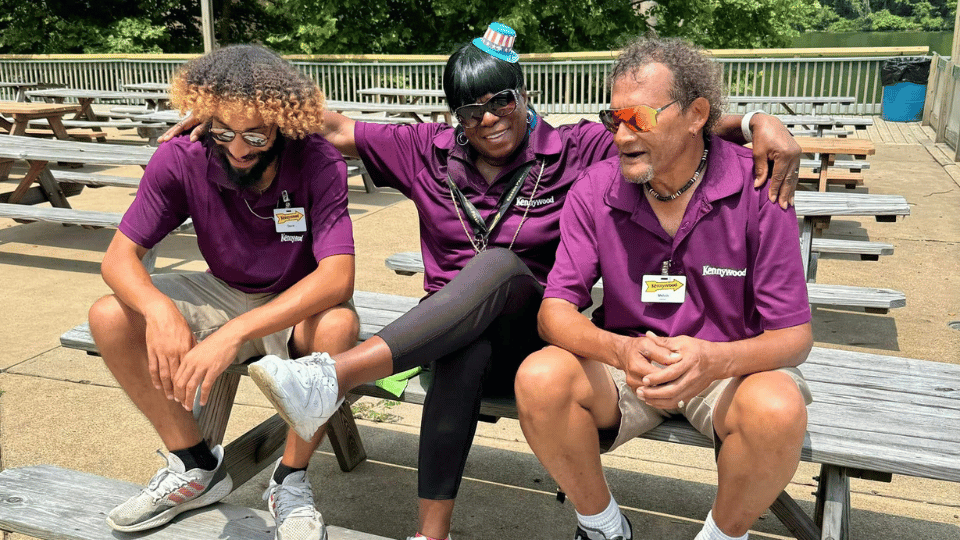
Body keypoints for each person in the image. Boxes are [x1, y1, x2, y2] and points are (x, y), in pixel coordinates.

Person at [162, 23, 801, 540]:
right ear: (454, 117)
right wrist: (227, 117)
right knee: (463, 342)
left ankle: (335, 376)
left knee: (497, 266)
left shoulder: (579, 148)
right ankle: (431, 532)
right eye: (470, 110)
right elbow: (328, 125)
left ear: (524, 95)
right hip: (448, 338)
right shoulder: (426, 149)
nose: (489, 118)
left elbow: (674, 131)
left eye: (502, 102)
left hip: (534, 327)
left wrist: (755, 122)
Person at [513, 37, 814, 540]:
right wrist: (620, 350)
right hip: (628, 364)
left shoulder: (759, 186)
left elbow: (795, 337)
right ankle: (602, 526)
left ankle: (722, 535)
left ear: (697, 115)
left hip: (727, 367)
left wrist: (714, 360)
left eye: (639, 118)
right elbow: (554, 312)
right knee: (539, 378)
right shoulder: (596, 188)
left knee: (777, 408)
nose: (621, 135)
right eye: (614, 119)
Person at [88, 44, 358, 540]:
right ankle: (194, 465)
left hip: (293, 300)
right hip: (222, 289)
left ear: (282, 122)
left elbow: (338, 277)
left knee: (339, 325)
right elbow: (117, 259)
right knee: (109, 315)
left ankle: (290, 481)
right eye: (224, 131)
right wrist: (160, 312)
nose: (238, 149)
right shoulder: (182, 156)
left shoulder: (317, 160)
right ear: (205, 119)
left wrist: (233, 334)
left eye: (255, 134)